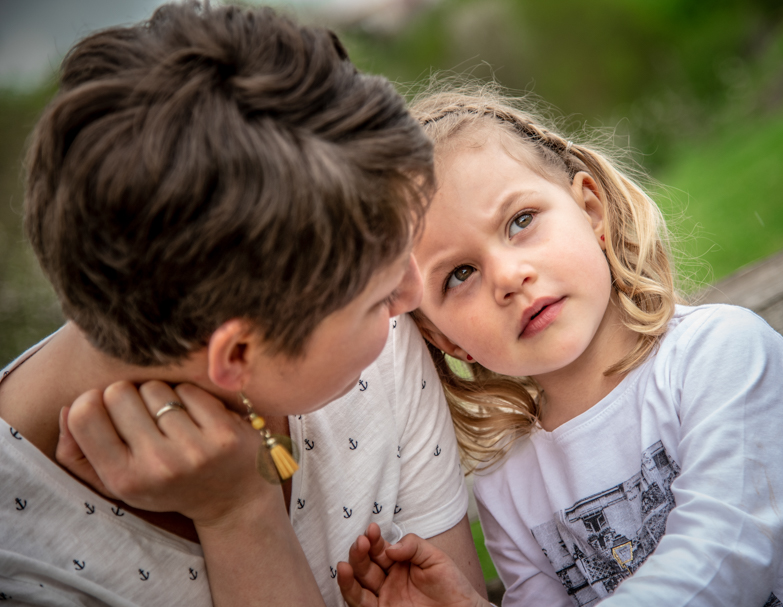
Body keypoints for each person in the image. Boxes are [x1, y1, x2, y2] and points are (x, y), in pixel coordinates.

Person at [336, 84, 783, 606]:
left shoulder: (719, 354)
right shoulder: (506, 481)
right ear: (443, 339)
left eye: (520, 220)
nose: (508, 276)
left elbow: (727, 558)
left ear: (591, 211)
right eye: (459, 274)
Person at [0, 4, 485, 606]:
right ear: (237, 352)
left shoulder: (376, 356)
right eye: (381, 295)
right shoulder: (19, 562)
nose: (412, 297)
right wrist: (240, 514)